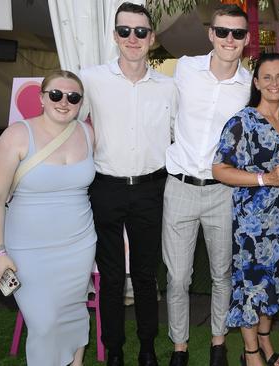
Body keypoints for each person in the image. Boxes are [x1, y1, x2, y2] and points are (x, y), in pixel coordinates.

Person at [79, 3, 178, 365]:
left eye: (140, 31)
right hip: (105, 187)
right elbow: (67, 125)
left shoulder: (169, 87)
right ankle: (115, 352)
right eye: (125, 31)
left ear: (152, 38)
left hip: (152, 188)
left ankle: (148, 348)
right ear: (114, 35)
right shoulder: (90, 79)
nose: (132, 38)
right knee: (111, 275)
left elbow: (181, 135)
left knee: (145, 274)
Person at [0, 70, 96, 365]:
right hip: (28, 250)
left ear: (80, 102)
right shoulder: (18, 134)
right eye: (56, 95)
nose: (64, 102)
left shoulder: (87, 133)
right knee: (44, 323)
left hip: (79, 245)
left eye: (73, 97)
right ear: (42, 98)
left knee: (73, 312)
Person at [163, 5, 251, 366]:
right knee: (178, 277)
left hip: (222, 190)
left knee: (222, 273)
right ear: (210, 34)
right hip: (179, 186)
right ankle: (179, 348)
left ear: (246, 40)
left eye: (238, 33)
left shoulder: (249, 84)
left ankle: (218, 343)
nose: (230, 39)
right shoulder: (184, 68)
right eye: (223, 31)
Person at [212, 52, 279, 366]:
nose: (274, 83)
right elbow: (219, 169)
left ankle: (264, 337)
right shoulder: (243, 121)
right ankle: (250, 352)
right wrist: (265, 178)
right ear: (256, 82)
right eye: (267, 76)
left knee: (276, 286)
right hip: (252, 225)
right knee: (252, 287)